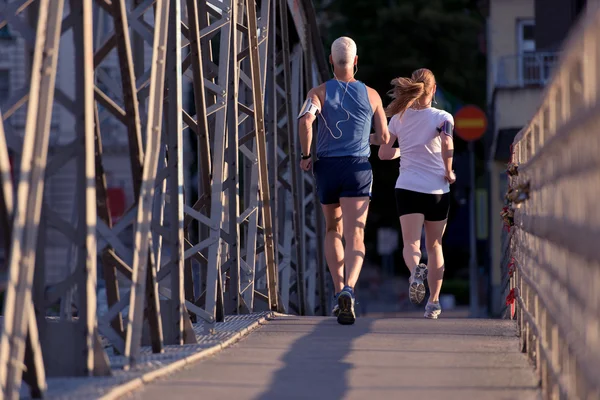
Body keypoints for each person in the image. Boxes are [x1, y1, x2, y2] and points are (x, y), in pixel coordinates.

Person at [297, 36, 390, 325]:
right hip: (358, 168)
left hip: (327, 169)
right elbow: (384, 139)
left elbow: (304, 121)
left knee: (332, 228)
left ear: (331, 61)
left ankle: (339, 292)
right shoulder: (373, 95)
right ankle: (350, 287)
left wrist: (305, 154)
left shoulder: (318, 93)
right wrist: (374, 140)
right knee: (356, 234)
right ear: (356, 62)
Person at [378, 68, 455, 319]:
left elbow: (384, 153)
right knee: (434, 246)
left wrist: (403, 151)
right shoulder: (443, 117)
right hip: (437, 190)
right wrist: (449, 170)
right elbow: (447, 143)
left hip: (408, 187)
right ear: (433, 90)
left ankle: (414, 273)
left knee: (411, 243)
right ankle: (433, 303)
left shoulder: (398, 118)